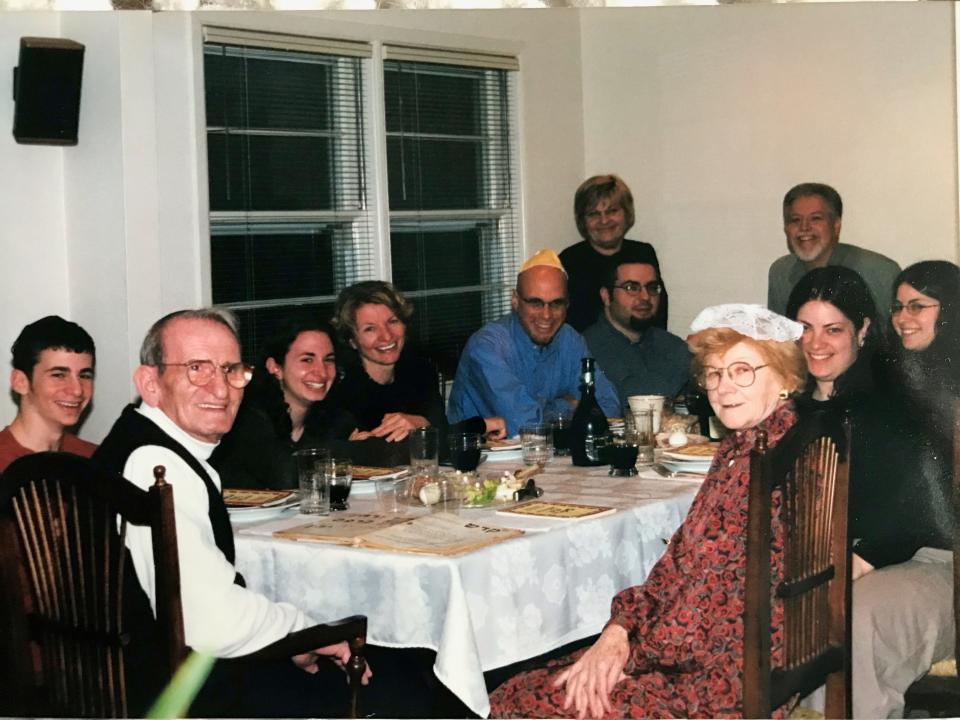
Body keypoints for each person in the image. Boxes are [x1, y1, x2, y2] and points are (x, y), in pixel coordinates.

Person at [93, 309, 425, 718]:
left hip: (138, 676)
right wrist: (305, 633)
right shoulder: (157, 466)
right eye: (197, 369)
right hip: (171, 696)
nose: (220, 389)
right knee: (402, 679)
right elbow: (210, 620)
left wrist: (293, 635)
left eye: (231, 370)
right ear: (150, 383)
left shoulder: (139, 443)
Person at [489, 304, 806, 718]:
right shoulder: (753, 443)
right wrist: (620, 629)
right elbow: (681, 565)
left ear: (784, 378)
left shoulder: (761, 463)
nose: (724, 388)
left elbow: (708, 604)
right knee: (543, 679)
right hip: (732, 657)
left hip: (719, 681)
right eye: (714, 373)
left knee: (519, 700)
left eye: (742, 370)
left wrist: (632, 661)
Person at [841, 260, 959, 719]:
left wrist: (869, 554)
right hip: (886, 552)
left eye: (918, 306)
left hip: (945, 563)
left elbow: (926, 501)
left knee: (861, 614)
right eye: (897, 306)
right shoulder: (890, 377)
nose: (902, 318)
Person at [448, 249, 620, 437]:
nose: (546, 315)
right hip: (480, 461)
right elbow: (526, 426)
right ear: (515, 300)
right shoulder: (487, 346)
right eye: (535, 303)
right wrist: (567, 405)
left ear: (567, 305)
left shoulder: (571, 340)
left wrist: (548, 411)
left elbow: (609, 408)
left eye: (556, 303)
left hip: (554, 457)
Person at [329, 280, 504, 448]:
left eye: (393, 321)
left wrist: (480, 426)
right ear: (352, 340)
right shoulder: (340, 387)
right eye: (370, 329)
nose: (387, 336)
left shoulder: (420, 373)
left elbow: (443, 436)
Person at [210, 318, 357, 489]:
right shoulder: (247, 421)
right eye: (307, 360)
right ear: (275, 367)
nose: (322, 372)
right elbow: (284, 479)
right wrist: (345, 450)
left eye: (328, 360)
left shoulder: (336, 419)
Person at [767, 182, 900, 325]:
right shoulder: (781, 272)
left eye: (815, 218)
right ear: (786, 228)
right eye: (795, 220)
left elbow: (895, 338)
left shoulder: (879, 271)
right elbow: (780, 341)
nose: (804, 227)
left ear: (836, 226)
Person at [559, 174, 667, 332]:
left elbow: (658, 314)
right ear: (582, 221)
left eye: (612, 211)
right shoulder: (569, 261)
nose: (604, 220)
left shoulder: (643, 254)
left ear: (627, 213)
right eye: (593, 214)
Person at [582, 259, 689, 409]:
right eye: (631, 287)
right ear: (606, 296)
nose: (645, 297)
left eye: (652, 288)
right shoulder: (584, 350)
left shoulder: (676, 349)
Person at [0, 315, 96, 472]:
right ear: (20, 382)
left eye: (84, 375)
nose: (77, 389)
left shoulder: (94, 460)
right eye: (59, 375)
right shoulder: (4, 463)